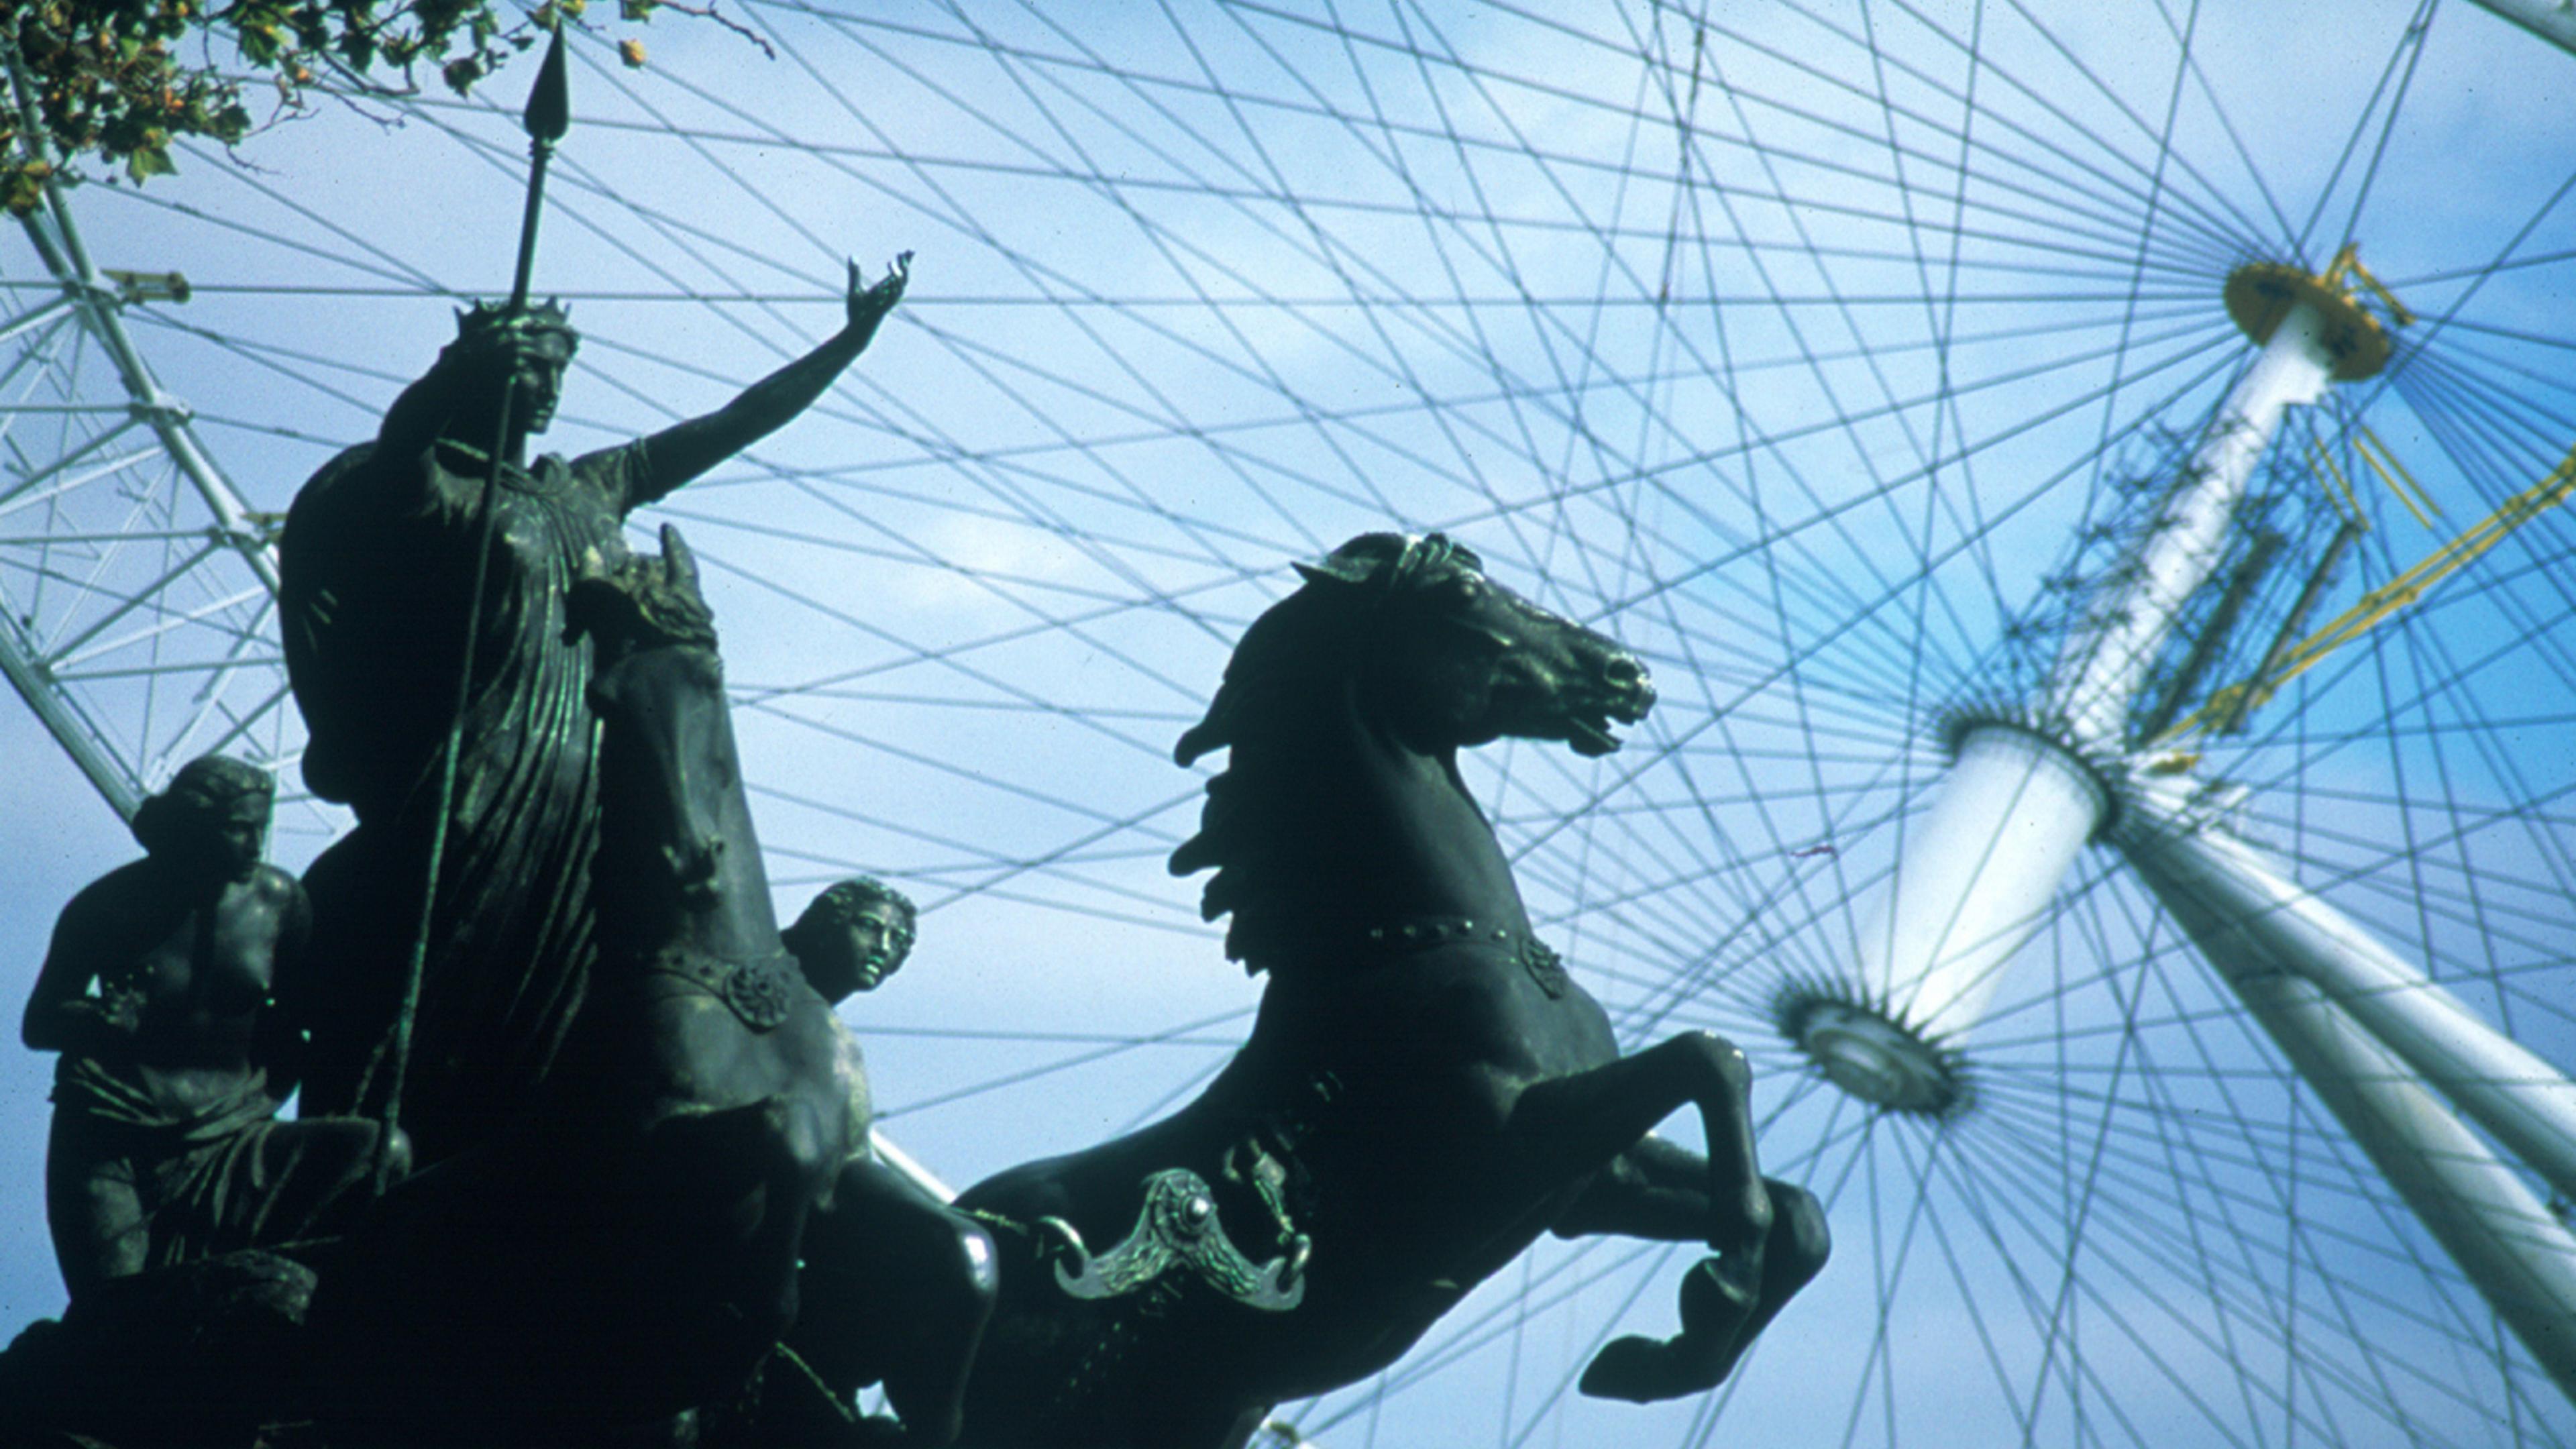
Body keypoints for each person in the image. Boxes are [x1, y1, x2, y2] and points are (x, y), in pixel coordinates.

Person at [276, 256, 909, 1166]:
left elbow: (730, 425)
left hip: (583, 791)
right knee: (432, 970)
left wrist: (848, 341)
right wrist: (457, 373)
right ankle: (365, 1161)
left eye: (558, 376)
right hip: (474, 777)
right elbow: (403, 438)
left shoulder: (588, 489)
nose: (546, 392)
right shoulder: (430, 491)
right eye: (528, 371)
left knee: (566, 996)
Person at [22, 755, 405, 1298]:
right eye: (238, 829)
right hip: (116, 1141)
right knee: (119, 1317)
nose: (255, 845)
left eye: (261, 829)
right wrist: (100, 1023)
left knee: (380, 1153)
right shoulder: (106, 908)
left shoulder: (280, 903)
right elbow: (38, 1024)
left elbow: (311, 1013)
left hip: (236, 1133)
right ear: (192, 828)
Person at [775, 877, 997, 1446]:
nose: (883, 947)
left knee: (964, 1254)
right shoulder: (760, 987)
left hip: (827, 1210)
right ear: (825, 920)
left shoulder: (838, 1042)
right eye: (870, 927)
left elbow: (851, 1163)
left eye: (898, 942)